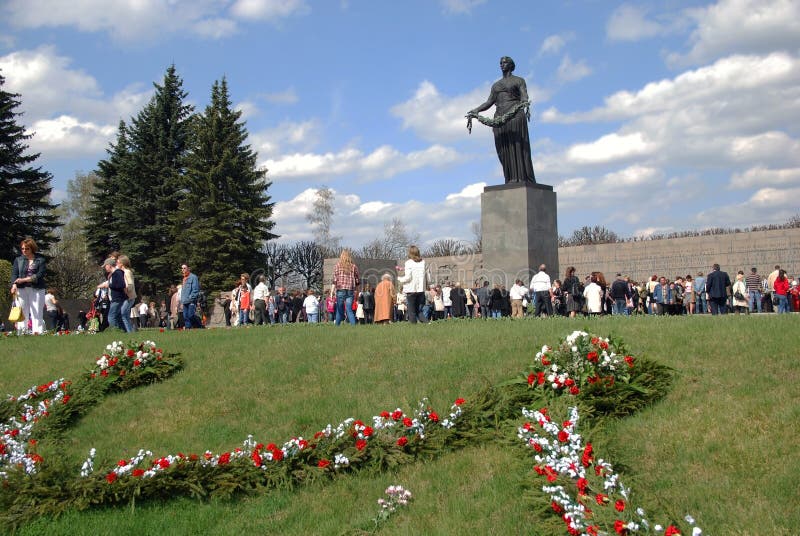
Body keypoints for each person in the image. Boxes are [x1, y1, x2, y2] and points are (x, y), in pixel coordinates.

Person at [467, 56, 535, 184]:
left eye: (504, 63)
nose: (502, 65)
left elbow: (524, 94)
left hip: (514, 115)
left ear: (511, 65)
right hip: (499, 118)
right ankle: (509, 178)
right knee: (503, 149)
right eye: (500, 63)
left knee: (517, 145)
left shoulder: (519, 80)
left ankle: (521, 178)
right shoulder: (496, 85)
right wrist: (476, 110)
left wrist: (525, 102)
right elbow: (489, 102)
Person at [10, 238, 47, 334]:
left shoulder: (40, 260)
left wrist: (24, 280)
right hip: (21, 289)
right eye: (22, 249)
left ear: (32, 248)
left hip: (37, 289)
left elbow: (40, 275)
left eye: (27, 249)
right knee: (22, 311)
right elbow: (14, 274)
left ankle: (37, 333)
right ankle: (22, 333)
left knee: (37, 312)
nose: (24, 251)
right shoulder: (18, 260)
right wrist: (14, 285)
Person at [396, 245, 429, 324]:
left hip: (411, 290)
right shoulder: (424, 262)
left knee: (411, 311)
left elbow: (408, 277)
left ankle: (413, 327)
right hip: (421, 290)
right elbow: (428, 276)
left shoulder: (408, 263)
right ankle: (428, 323)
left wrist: (399, 279)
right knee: (419, 311)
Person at [331, 249, 360, 326]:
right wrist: (357, 292)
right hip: (350, 290)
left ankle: (337, 325)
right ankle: (353, 326)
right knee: (349, 309)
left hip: (340, 290)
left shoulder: (337, 265)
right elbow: (357, 282)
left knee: (339, 310)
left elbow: (334, 280)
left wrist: (331, 292)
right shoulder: (354, 267)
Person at [116, 255, 137, 332]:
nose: (116, 264)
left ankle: (129, 331)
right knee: (125, 315)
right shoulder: (122, 272)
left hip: (129, 297)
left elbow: (130, 285)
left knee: (123, 314)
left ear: (122, 263)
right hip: (126, 297)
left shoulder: (127, 272)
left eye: (118, 262)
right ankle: (129, 331)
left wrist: (125, 291)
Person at [180, 264, 202, 328]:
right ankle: (188, 329)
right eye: (182, 268)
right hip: (184, 300)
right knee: (185, 316)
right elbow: (183, 291)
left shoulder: (193, 277)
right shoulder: (184, 278)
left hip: (191, 300)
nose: (183, 270)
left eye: (184, 268)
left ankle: (199, 325)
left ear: (188, 269)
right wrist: (182, 300)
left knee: (190, 315)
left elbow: (195, 289)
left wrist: (191, 297)